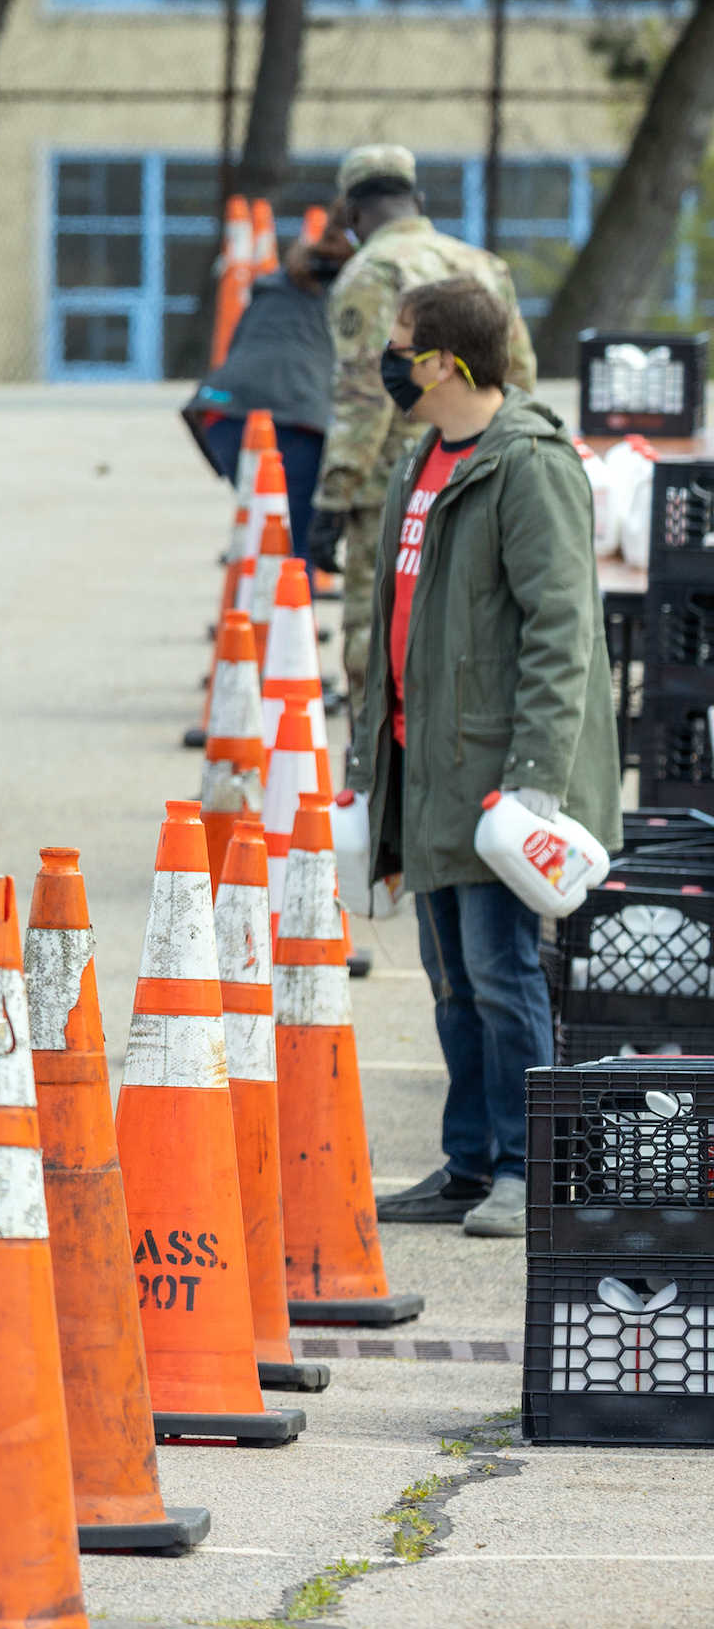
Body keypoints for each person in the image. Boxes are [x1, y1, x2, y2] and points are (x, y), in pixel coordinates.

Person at [346, 277, 615, 1242]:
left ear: (446, 363)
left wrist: (537, 780)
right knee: (452, 980)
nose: (386, 358)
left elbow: (562, 629)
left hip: (499, 779)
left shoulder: (526, 466)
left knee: (504, 979)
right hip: (429, 769)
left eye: (400, 344)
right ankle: (467, 1164)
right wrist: (367, 754)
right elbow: (395, 627)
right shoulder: (425, 460)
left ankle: (521, 1167)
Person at [309, 145, 537, 703]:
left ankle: (373, 779)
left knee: (378, 636)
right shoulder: (481, 265)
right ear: (418, 201)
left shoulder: (370, 273)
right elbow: (521, 376)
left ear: (354, 215)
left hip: (398, 486)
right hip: (486, 473)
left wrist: (335, 496)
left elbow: (366, 394)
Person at [184, 216, 349, 556]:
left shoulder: (271, 286)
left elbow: (235, 348)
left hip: (221, 411)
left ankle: (249, 594)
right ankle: (289, 597)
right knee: (298, 540)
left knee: (264, 517)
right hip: (299, 419)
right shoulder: (353, 292)